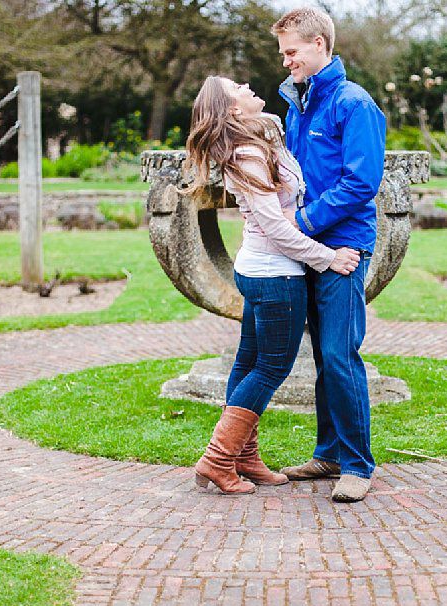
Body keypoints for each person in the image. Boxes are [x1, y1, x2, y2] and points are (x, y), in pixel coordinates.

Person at [184, 75, 363, 495]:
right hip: (275, 274)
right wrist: (328, 257)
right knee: (271, 367)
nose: (247, 84)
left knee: (247, 363)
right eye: (237, 87)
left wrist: (267, 124)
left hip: (261, 270)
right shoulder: (247, 154)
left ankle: (244, 458)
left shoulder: (257, 139)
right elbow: (276, 228)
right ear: (231, 109)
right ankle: (217, 460)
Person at [270, 7, 387, 502]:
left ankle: (358, 466)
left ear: (320, 45)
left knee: (340, 353)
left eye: (292, 52)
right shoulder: (298, 103)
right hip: (311, 248)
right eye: (283, 54)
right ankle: (329, 454)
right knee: (321, 355)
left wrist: (302, 224)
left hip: (342, 246)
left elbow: (361, 181)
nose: (286, 62)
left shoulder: (353, 103)